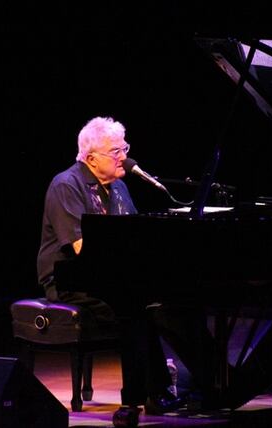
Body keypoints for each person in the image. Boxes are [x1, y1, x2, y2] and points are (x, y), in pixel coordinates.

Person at [36, 116, 182, 414]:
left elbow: (134, 239)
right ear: (91, 158)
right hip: (68, 279)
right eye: (116, 151)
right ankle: (143, 395)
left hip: (109, 276)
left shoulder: (119, 188)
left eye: (124, 148)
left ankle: (196, 384)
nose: (124, 157)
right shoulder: (66, 185)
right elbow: (80, 249)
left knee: (166, 302)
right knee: (134, 308)